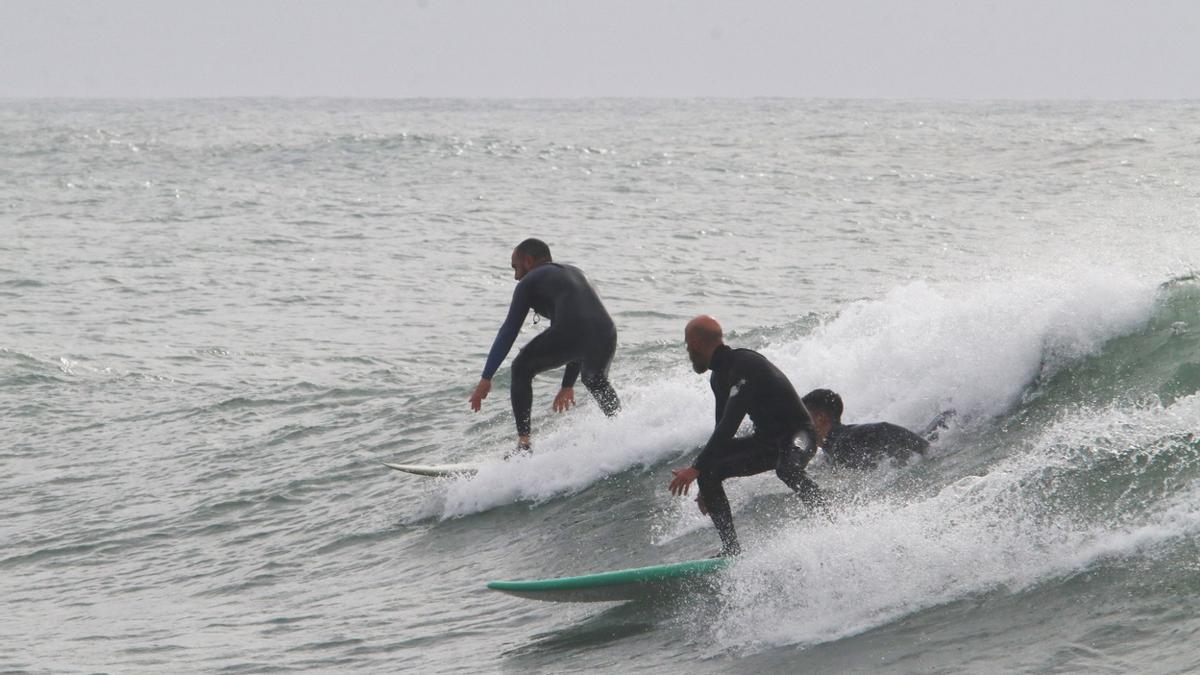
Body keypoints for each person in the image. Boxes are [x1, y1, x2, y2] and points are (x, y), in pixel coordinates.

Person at [668, 316, 823, 556]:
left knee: (787, 470)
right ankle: (731, 550)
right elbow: (721, 431)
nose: (688, 351)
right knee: (709, 471)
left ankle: (830, 517)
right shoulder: (719, 377)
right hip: (768, 442)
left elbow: (730, 424)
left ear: (696, 343)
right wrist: (705, 484)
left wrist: (695, 468)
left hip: (801, 435)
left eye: (688, 346)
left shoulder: (745, 365)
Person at [468, 238, 621, 454]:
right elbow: (583, 330)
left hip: (575, 329)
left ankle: (524, 445)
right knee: (594, 379)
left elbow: (509, 330)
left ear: (528, 261)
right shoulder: (576, 273)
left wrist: (486, 378)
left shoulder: (529, 281)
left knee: (521, 367)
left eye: (516, 267)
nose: (516, 276)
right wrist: (568, 385)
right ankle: (623, 429)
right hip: (607, 331)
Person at [800, 388, 931, 469]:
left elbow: (885, 428)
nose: (797, 424)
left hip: (931, 437)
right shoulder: (829, 451)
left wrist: (926, 450)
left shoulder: (845, 440)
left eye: (801, 416)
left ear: (820, 417)